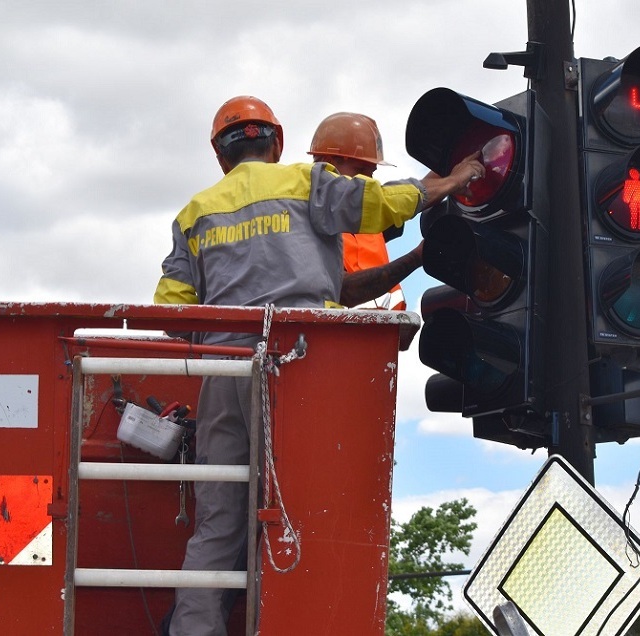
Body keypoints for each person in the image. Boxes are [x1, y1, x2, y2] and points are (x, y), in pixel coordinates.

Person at [154, 95, 483, 635]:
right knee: (307, 506)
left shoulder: (193, 213)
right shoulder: (305, 184)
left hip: (225, 373)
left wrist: (220, 333)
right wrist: (451, 181)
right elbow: (380, 204)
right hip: (300, 366)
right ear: (278, 144)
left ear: (220, 156)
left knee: (217, 521)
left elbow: (170, 309)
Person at [308, 112, 423, 310]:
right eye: (361, 169)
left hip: (384, 338)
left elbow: (425, 192)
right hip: (332, 337)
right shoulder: (304, 220)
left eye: (372, 172)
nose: (370, 181)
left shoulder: (370, 215)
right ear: (328, 162)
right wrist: (417, 257)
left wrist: (455, 168)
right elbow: (346, 290)